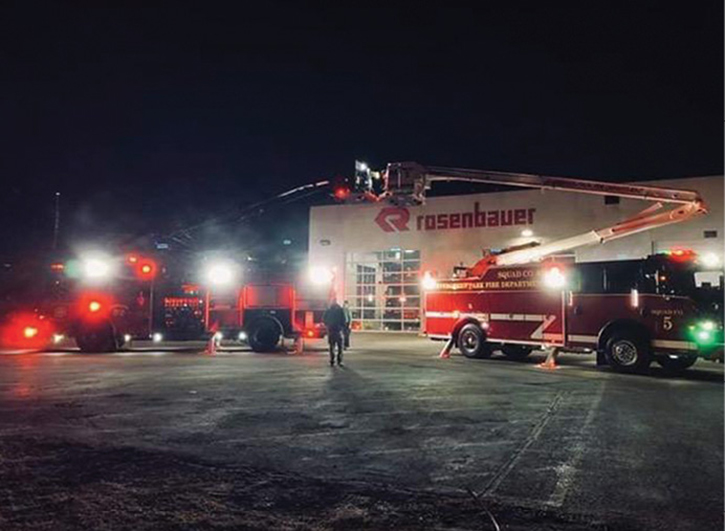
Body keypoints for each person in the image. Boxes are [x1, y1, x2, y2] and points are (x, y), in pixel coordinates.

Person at [322, 300, 346, 366]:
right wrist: (342, 327)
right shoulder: (340, 310)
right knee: (340, 347)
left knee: (332, 346)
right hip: (338, 330)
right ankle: (339, 361)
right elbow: (344, 320)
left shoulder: (328, 310)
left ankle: (332, 360)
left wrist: (328, 325)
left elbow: (324, 319)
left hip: (331, 330)